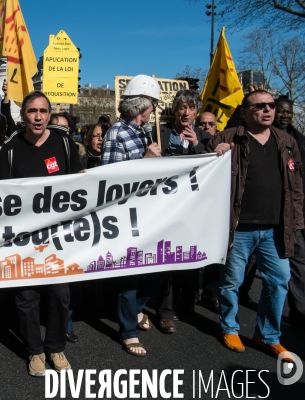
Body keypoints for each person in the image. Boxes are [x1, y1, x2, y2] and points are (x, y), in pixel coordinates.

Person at [205, 90, 303, 361]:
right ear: (246, 112)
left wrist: (296, 221)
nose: (268, 110)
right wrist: (214, 155)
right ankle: (229, 327)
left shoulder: (286, 141)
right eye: (260, 107)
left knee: (279, 281)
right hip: (239, 226)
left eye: (271, 105)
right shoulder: (226, 138)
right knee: (231, 281)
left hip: (276, 229)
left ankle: (268, 335)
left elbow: (296, 186)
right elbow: (199, 175)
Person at [0, 91, 80, 377]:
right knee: (27, 298)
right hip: (24, 239)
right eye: (32, 111)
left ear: (49, 114)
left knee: (59, 296)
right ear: (23, 116)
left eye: (43, 111)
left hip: (59, 238)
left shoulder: (65, 144)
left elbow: (82, 185)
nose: (38, 117)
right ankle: (35, 352)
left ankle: (55, 347)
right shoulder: (11, 149)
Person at [101, 74, 165, 356]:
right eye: (152, 105)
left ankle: (137, 310)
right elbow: (111, 180)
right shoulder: (116, 133)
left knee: (156, 270)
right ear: (142, 107)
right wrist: (146, 163)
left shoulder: (145, 133)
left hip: (150, 213)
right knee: (131, 275)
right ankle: (128, 331)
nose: (153, 110)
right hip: (127, 216)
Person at [154, 90, 213, 333]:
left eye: (190, 108)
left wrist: (197, 145)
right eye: (181, 107)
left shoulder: (204, 137)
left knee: (189, 257)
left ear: (196, 112)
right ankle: (165, 311)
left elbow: (212, 164)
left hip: (193, 208)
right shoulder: (162, 133)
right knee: (166, 259)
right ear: (175, 110)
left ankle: (186, 302)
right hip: (166, 207)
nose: (186, 112)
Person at [273, 97, 305, 329]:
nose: (285, 115)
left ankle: (299, 311)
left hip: (292, 215)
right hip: (266, 213)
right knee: (250, 261)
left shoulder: (299, 141)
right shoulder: (262, 137)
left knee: (298, 263)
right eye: (281, 111)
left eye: (288, 112)